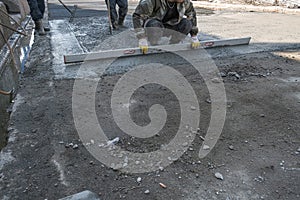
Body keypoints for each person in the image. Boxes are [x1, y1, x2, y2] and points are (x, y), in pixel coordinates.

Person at [133, 0, 200, 54]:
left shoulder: (184, 2)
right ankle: (154, 45)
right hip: (155, 26)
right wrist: (142, 38)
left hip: (172, 26)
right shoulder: (151, 1)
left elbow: (192, 15)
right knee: (154, 25)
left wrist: (194, 36)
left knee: (187, 23)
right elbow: (138, 16)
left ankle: (174, 44)